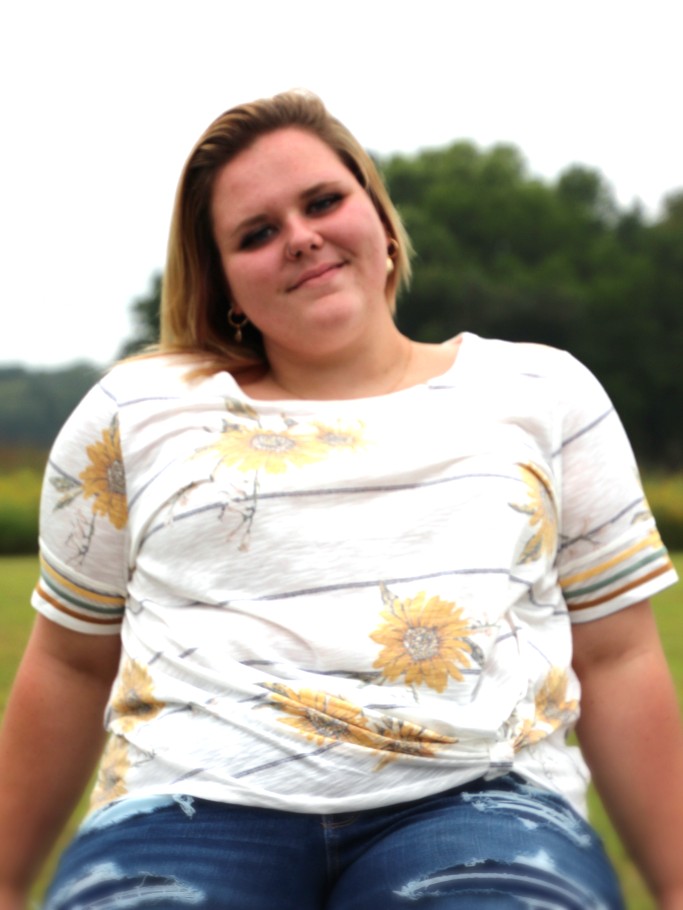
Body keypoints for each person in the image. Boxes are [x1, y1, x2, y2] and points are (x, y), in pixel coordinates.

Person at [0, 90, 681, 910]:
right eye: (256, 233)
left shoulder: (543, 392)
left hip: (483, 803)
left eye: (322, 202)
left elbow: (617, 656)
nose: (300, 237)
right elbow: (70, 662)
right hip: (183, 811)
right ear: (225, 288)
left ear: (383, 224)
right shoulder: (134, 414)